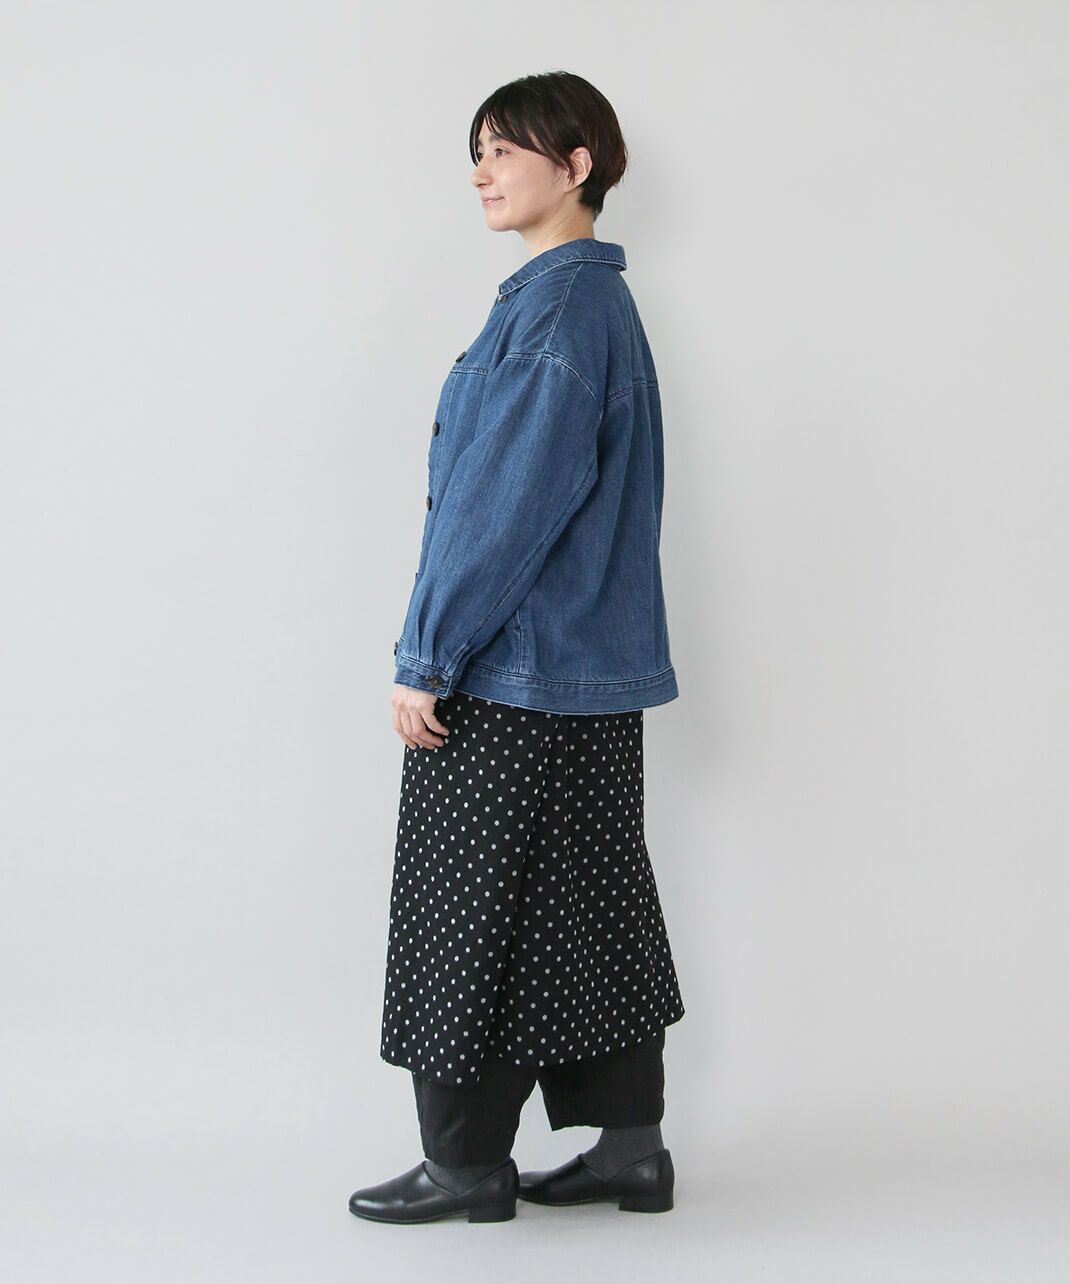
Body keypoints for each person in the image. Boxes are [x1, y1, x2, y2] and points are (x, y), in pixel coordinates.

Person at [348, 70, 686, 1225]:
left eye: (503, 149)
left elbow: (502, 509)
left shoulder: (556, 314)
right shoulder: (588, 309)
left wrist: (426, 655)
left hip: (511, 669)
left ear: (575, 162)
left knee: (467, 912)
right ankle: (630, 1150)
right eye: (476, 151)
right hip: (582, 679)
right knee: (585, 905)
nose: (480, 172)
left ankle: (464, 1165)